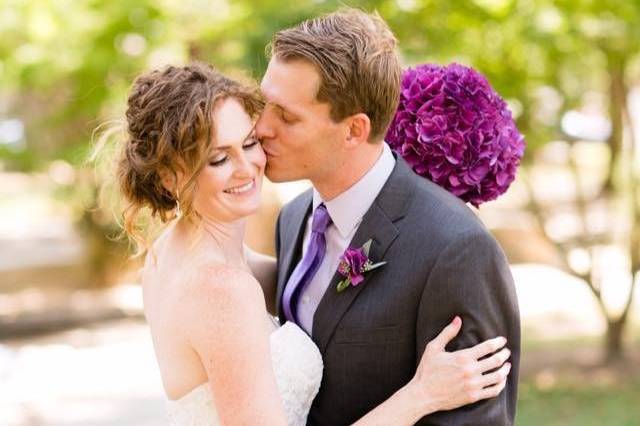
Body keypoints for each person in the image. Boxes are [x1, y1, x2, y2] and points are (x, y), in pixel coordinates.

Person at [109, 62, 512, 425]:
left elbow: (301, 280)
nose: (246, 167)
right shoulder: (222, 290)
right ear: (169, 178)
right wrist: (421, 395)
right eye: (218, 159)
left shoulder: (176, 249)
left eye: (249, 143)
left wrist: (423, 218)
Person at [256, 8, 521, 425]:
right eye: (262, 104)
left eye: (286, 116)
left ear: (354, 130)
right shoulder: (292, 219)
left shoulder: (456, 249)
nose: (260, 127)